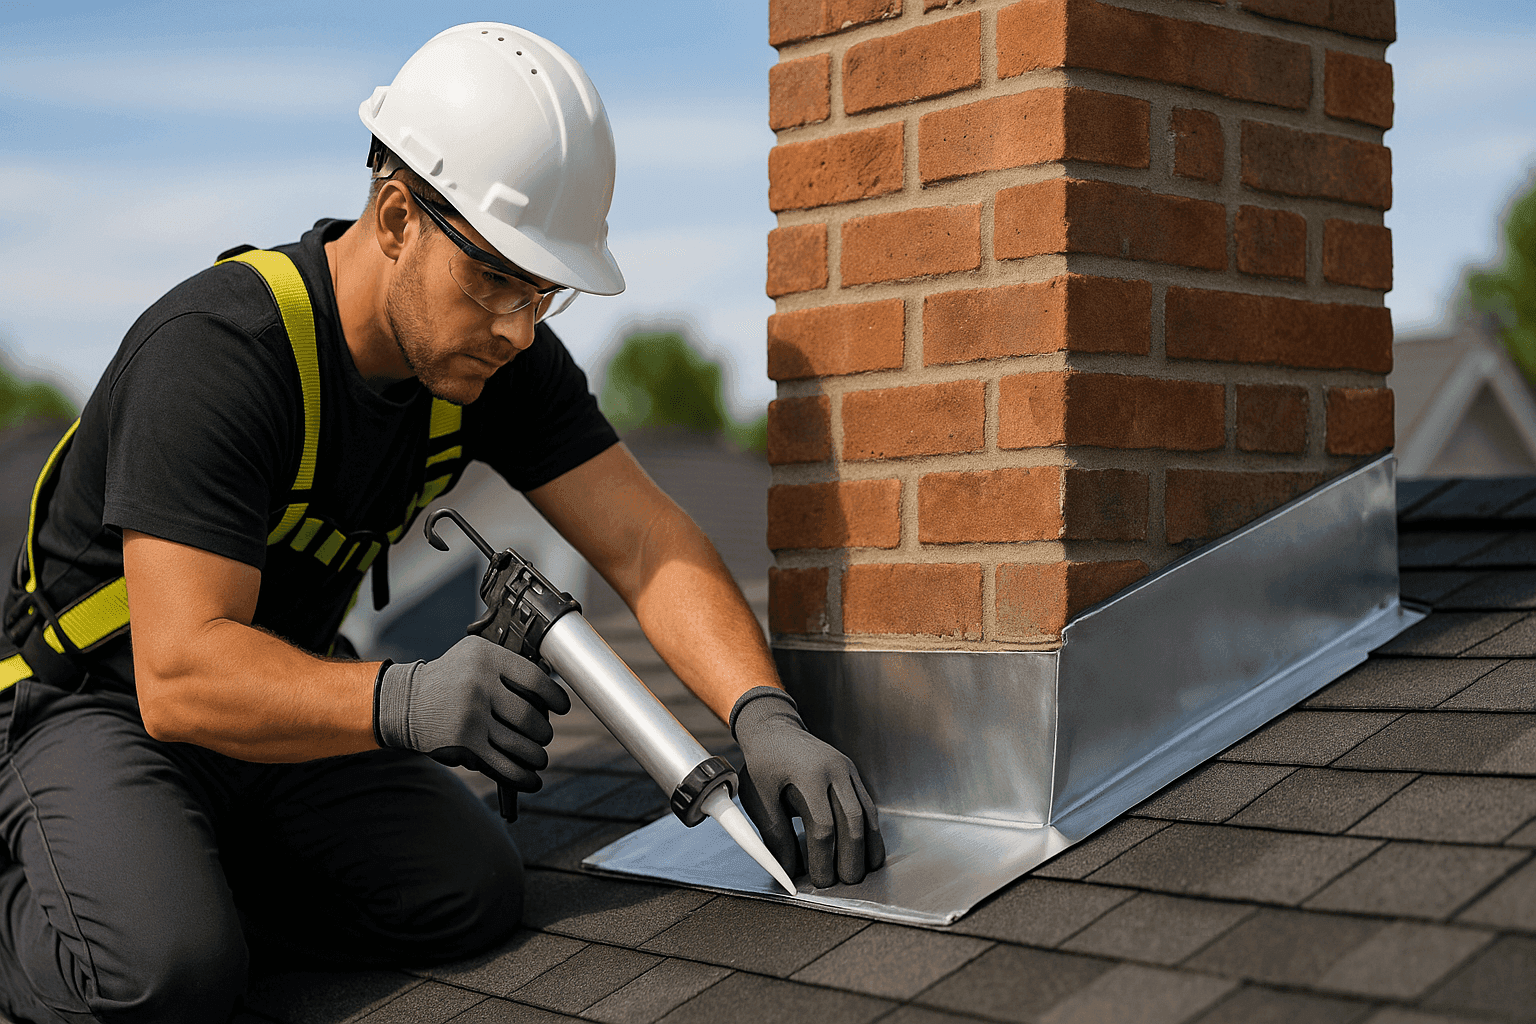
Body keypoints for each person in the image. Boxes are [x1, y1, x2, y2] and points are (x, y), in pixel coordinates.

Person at [0, 23, 883, 1024]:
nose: (518, 326)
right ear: (394, 217)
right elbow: (180, 675)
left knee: (471, 889)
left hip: (277, 718)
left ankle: (170, 878)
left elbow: (646, 540)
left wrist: (761, 712)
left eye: (543, 292)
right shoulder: (219, 354)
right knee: (165, 974)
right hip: (99, 710)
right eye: (497, 279)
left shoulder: (493, 362)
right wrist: (408, 699)